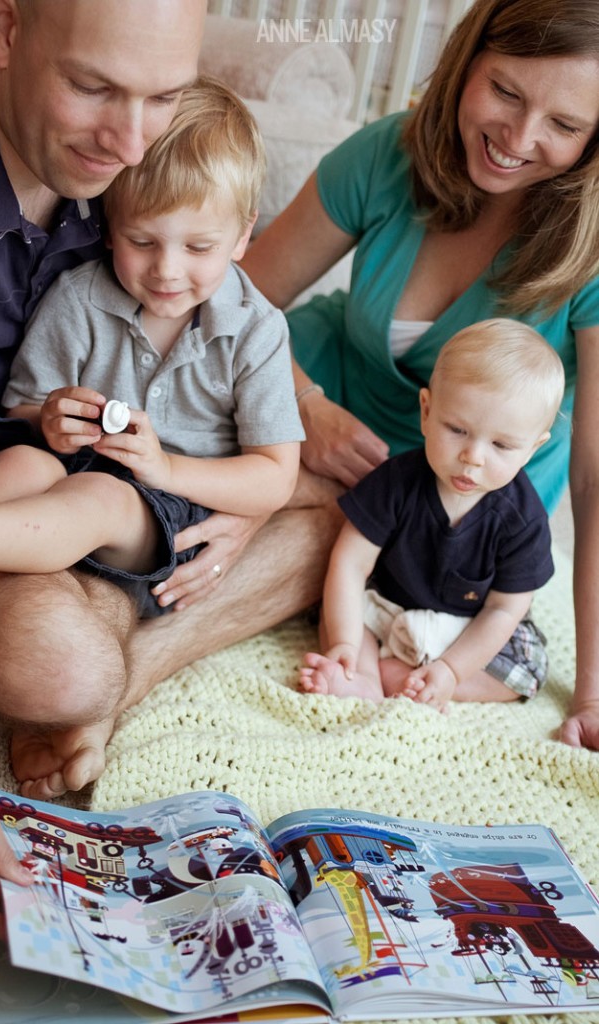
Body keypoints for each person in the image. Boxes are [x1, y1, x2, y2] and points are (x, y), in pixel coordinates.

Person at [0, 0, 214, 939]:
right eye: (92, 88)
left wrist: (292, 437)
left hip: (69, 496)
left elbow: (224, 307)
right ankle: (99, 683)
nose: (129, 142)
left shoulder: (130, 166)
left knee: (332, 508)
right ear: (6, 28)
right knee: (62, 657)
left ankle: (107, 689)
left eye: (161, 96)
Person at [240, 0, 599, 750]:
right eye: (505, 91)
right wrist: (299, 404)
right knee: (224, 500)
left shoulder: (590, 253)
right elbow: (239, 303)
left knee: (301, 540)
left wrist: (593, 690)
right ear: (468, 59)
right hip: (318, 402)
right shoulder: (384, 156)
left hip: (449, 515)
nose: (519, 139)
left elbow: (597, 480)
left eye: (565, 126)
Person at [0, 78, 302, 627]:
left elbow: (275, 477)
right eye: (143, 241)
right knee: (21, 462)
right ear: (108, 228)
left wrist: (165, 468)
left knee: (104, 496)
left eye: (198, 247)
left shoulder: (256, 330)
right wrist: (49, 422)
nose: (167, 270)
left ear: (242, 236)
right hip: (71, 473)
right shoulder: (79, 298)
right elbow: (23, 410)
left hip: (169, 515)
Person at [299, 320, 564, 711]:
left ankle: (428, 682)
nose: (472, 456)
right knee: (338, 611)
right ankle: (364, 677)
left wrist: (453, 670)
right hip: (391, 607)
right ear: (427, 411)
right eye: (457, 429)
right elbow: (350, 563)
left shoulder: (523, 520)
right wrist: (343, 642)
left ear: (532, 449)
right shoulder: (396, 482)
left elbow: (504, 609)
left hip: (467, 630)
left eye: (502, 445)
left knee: (528, 665)